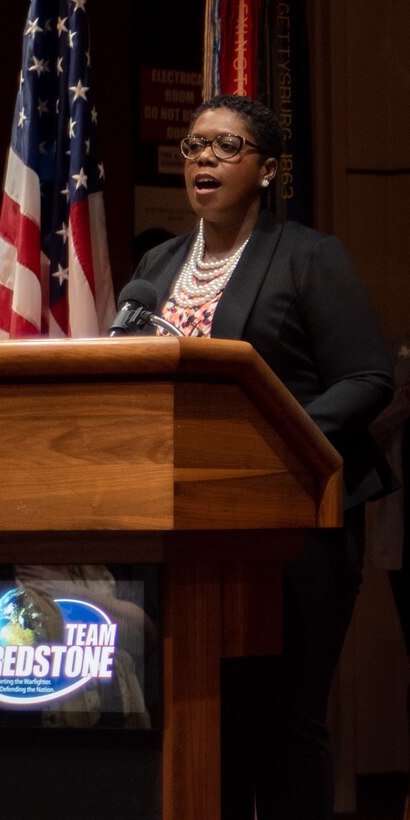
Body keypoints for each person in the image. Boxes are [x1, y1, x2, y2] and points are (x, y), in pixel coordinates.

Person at [129, 94, 395, 819]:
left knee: (283, 723)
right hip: (188, 529)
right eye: (192, 147)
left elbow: (368, 379)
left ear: (269, 169)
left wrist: (278, 438)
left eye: (224, 146)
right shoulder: (158, 265)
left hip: (293, 523)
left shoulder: (309, 257)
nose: (202, 159)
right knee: (205, 717)